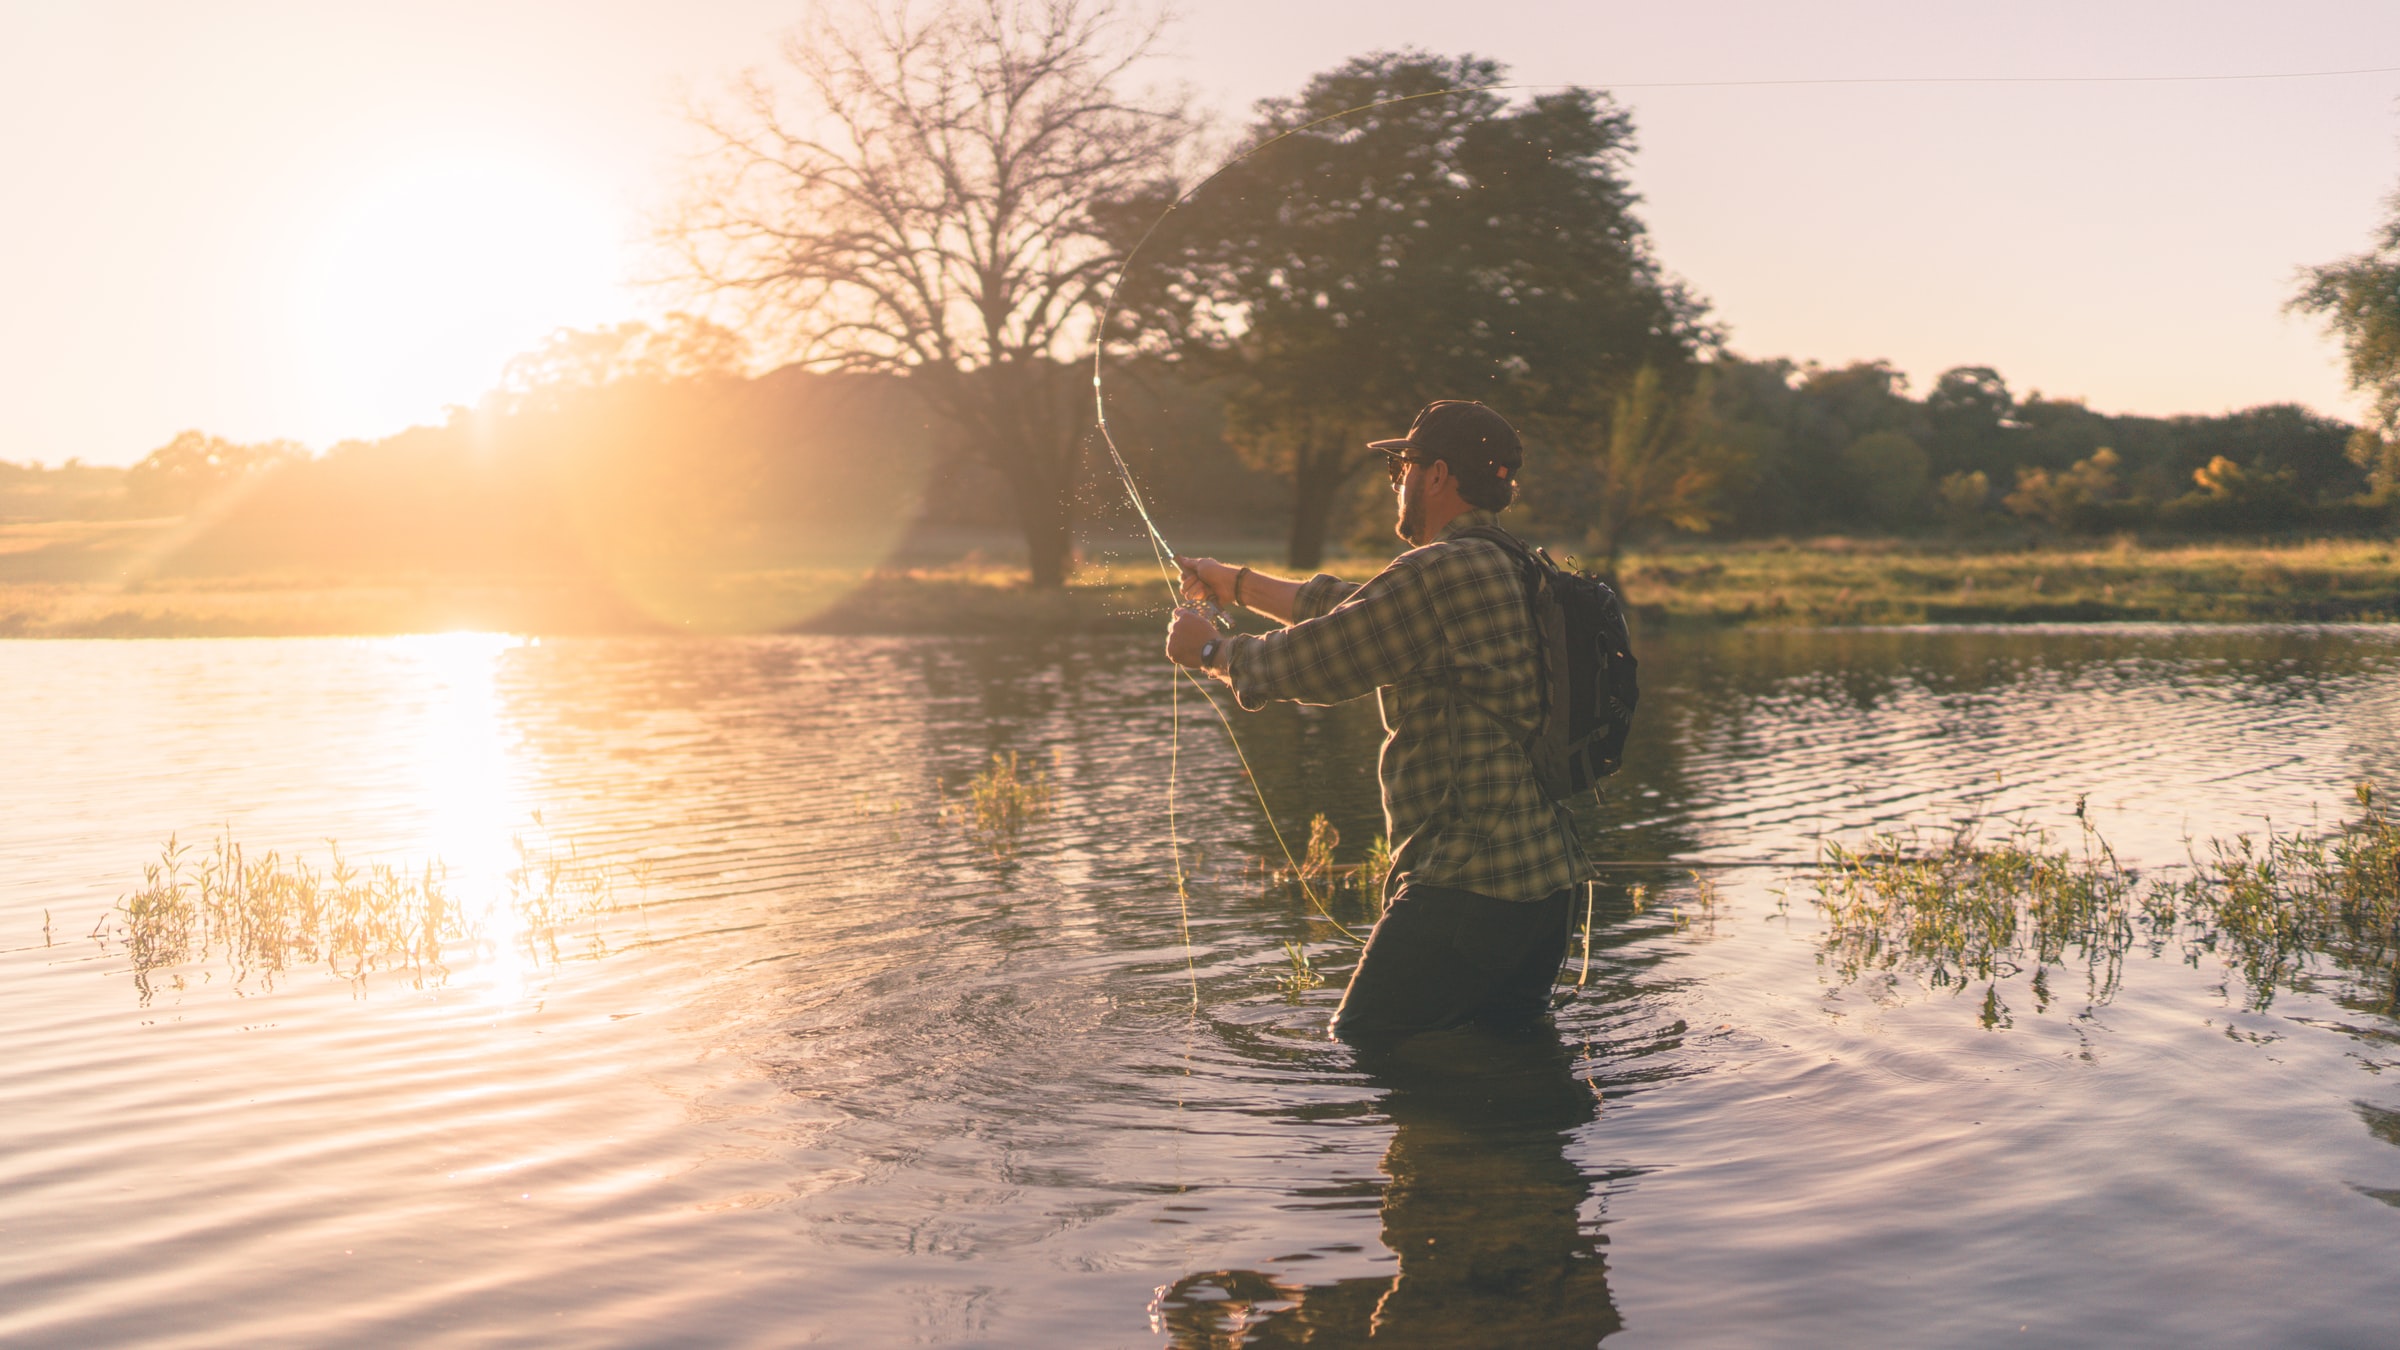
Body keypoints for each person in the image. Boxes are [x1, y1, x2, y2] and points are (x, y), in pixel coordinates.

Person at [1166, 399, 1592, 1042]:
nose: (1398, 483)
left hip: (1466, 890)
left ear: (1439, 475)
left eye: (1403, 468)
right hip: (1546, 894)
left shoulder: (1439, 570)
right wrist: (1234, 583)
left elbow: (1318, 660)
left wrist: (1208, 652)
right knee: (1505, 1066)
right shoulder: (1510, 563)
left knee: (1366, 1045)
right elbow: (1350, 610)